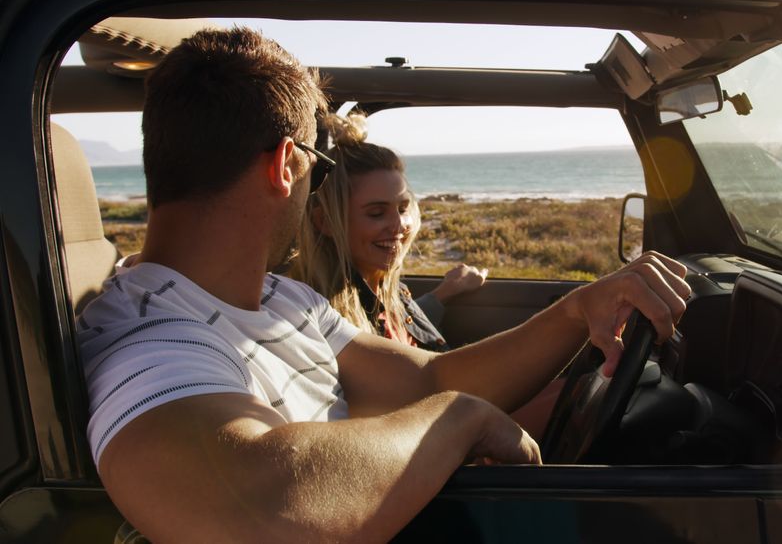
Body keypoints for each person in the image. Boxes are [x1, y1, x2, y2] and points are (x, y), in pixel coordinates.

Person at [76, 27, 690, 543]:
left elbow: (429, 379)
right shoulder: (148, 334)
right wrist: (456, 421)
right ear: (285, 165)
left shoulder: (277, 297)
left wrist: (576, 310)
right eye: (317, 170)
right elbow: (258, 506)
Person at [288, 114, 485, 351]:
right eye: (376, 213)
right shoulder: (320, 317)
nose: (399, 225)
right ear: (326, 222)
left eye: (403, 208)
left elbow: (397, 321)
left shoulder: (387, 287)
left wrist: (446, 291)